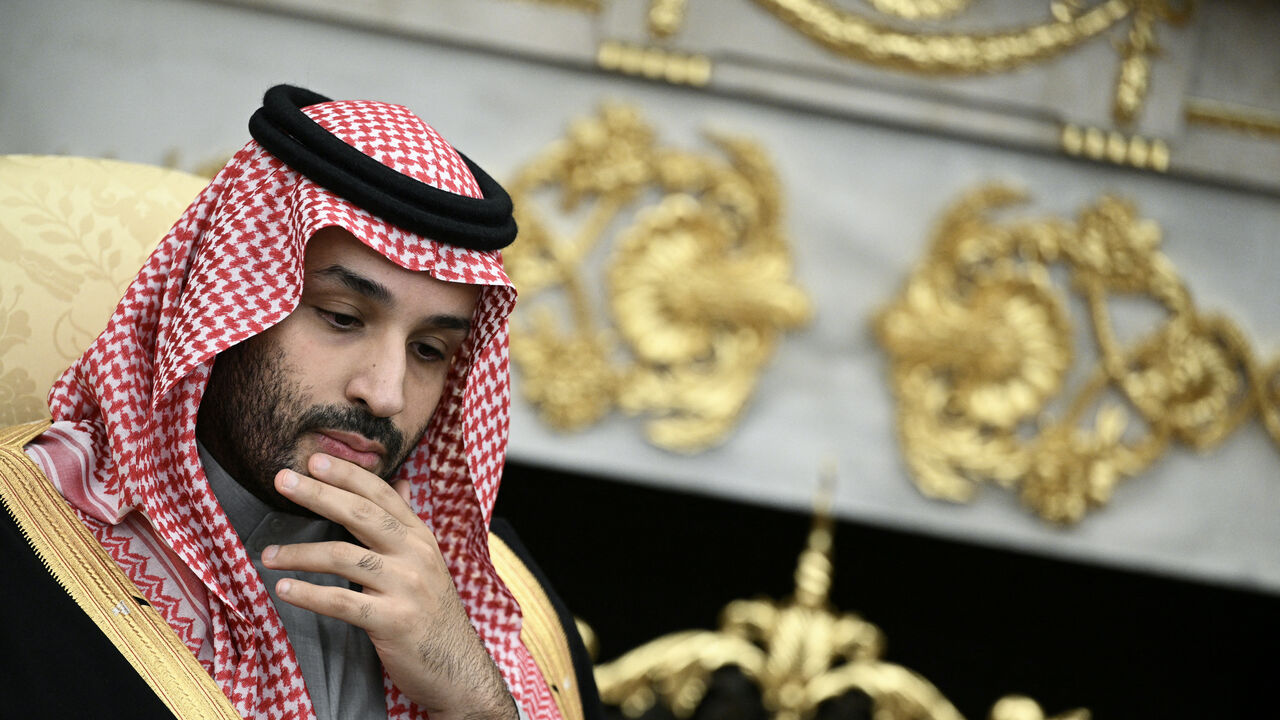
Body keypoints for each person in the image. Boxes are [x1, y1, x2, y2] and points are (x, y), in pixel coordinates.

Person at [0, 85, 600, 720]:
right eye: (342, 318)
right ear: (225, 303)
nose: (385, 393)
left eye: (429, 351)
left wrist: (473, 697)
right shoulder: (24, 549)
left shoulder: (501, 599)